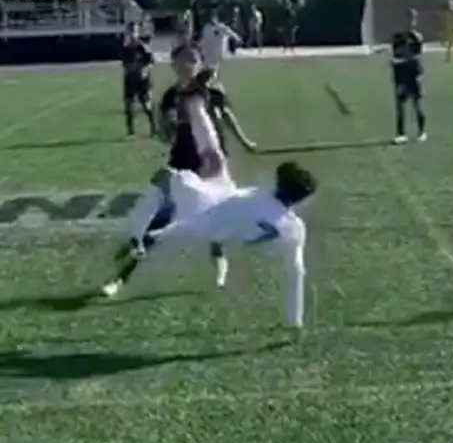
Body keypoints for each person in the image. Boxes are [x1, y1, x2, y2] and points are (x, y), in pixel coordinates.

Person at [101, 45, 234, 298]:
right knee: (157, 225)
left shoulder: (213, 91)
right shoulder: (171, 96)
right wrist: (167, 127)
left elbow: (221, 125)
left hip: (209, 169)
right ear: (173, 66)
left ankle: (220, 262)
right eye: (182, 61)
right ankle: (119, 279)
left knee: (215, 221)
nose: (187, 66)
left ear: (199, 62)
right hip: (181, 165)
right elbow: (165, 135)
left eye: (192, 60)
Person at [122, 161, 315, 329]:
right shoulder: (294, 228)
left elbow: (245, 199)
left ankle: (138, 237)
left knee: (164, 176)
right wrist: (294, 319)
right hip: (221, 230)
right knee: (169, 233)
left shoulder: (258, 198)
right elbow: (295, 273)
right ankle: (145, 238)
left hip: (205, 211)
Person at [391, 9, 426, 145]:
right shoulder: (397, 37)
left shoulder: (417, 37)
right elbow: (396, 54)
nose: (410, 22)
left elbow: (416, 56)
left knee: (417, 104)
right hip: (400, 75)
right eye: (408, 19)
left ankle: (421, 131)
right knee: (400, 105)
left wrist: (403, 60)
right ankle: (400, 134)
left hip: (413, 74)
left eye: (413, 19)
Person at [120, 23, 156, 137]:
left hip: (142, 80)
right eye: (129, 32)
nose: (131, 34)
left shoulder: (142, 47)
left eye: (133, 32)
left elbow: (151, 61)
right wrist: (128, 68)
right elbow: (124, 63)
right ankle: (130, 130)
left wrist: (145, 70)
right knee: (128, 104)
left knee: (146, 104)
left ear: (137, 33)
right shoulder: (125, 48)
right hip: (130, 79)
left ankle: (153, 126)